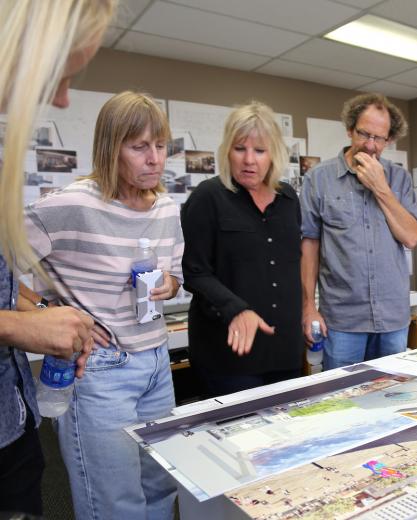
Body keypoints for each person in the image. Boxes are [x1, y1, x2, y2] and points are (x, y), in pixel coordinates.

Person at [23, 91, 182, 519]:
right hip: (100, 370)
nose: (154, 159)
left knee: (161, 486)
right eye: (139, 147)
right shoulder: (71, 205)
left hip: (156, 361)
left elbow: (176, 273)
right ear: (112, 148)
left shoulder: (166, 207)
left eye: (161, 146)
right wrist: (43, 309)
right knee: (115, 503)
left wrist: (170, 282)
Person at [0, 1, 115, 516]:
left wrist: (40, 315)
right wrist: (23, 330)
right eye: (60, 74)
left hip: (14, 419)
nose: (65, 99)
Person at [181, 102, 303, 397]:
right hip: (229, 354)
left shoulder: (288, 199)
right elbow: (194, 271)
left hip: (283, 349)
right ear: (227, 151)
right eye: (240, 149)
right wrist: (236, 308)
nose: (249, 160)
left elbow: (289, 266)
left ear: (273, 153)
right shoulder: (208, 197)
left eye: (259, 150)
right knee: (240, 439)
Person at [300, 93, 417, 370]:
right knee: (340, 399)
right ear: (349, 129)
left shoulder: (399, 179)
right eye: (363, 134)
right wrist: (309, 306)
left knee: (392, 394)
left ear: (389, 139)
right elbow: (309, 246)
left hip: (392, 316)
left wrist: (381, 187)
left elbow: (411, 237)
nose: (370, 145)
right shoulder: (318, 179)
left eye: (379, 138)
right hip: (342, 318)